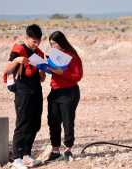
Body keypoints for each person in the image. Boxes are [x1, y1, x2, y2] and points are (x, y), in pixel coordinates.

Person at [3, 24, 46, 169]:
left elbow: (42, 78)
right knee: (22, 123)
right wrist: (17, 61)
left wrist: (42, 70)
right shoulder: (19, 50)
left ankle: (27, 155)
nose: (37, 44)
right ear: (27, 38)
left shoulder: (39, 53)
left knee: (35, 123)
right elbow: (7, 69)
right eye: (34, 41)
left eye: (39, 41)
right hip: (23, 91)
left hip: (36, 91)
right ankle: (17, 158)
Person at [45, 31, 83, 162]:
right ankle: (55, 150)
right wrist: (45, 68)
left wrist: (61, 73)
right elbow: (54, 72)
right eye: (51, 44)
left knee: (68, 121)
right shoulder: (53, 56)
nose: (53, 46)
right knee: (53, 121)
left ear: (61, 42)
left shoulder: (72, 56)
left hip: (69, 92)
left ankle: (68, 149)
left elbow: (77, 76)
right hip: (55, 92)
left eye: (54, 43)